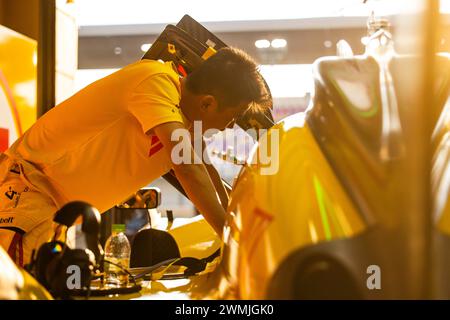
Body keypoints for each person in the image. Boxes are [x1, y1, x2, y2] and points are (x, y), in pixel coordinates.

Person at [0, 47, 271, 266]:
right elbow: (189, 169)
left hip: (55, 214)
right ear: (208, 103)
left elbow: (206, 173)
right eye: (231, 117)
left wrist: (239, 223)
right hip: (29, 193)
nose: (229, 127)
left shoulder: (183, 122)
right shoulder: (156, 82)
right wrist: (236, 244)